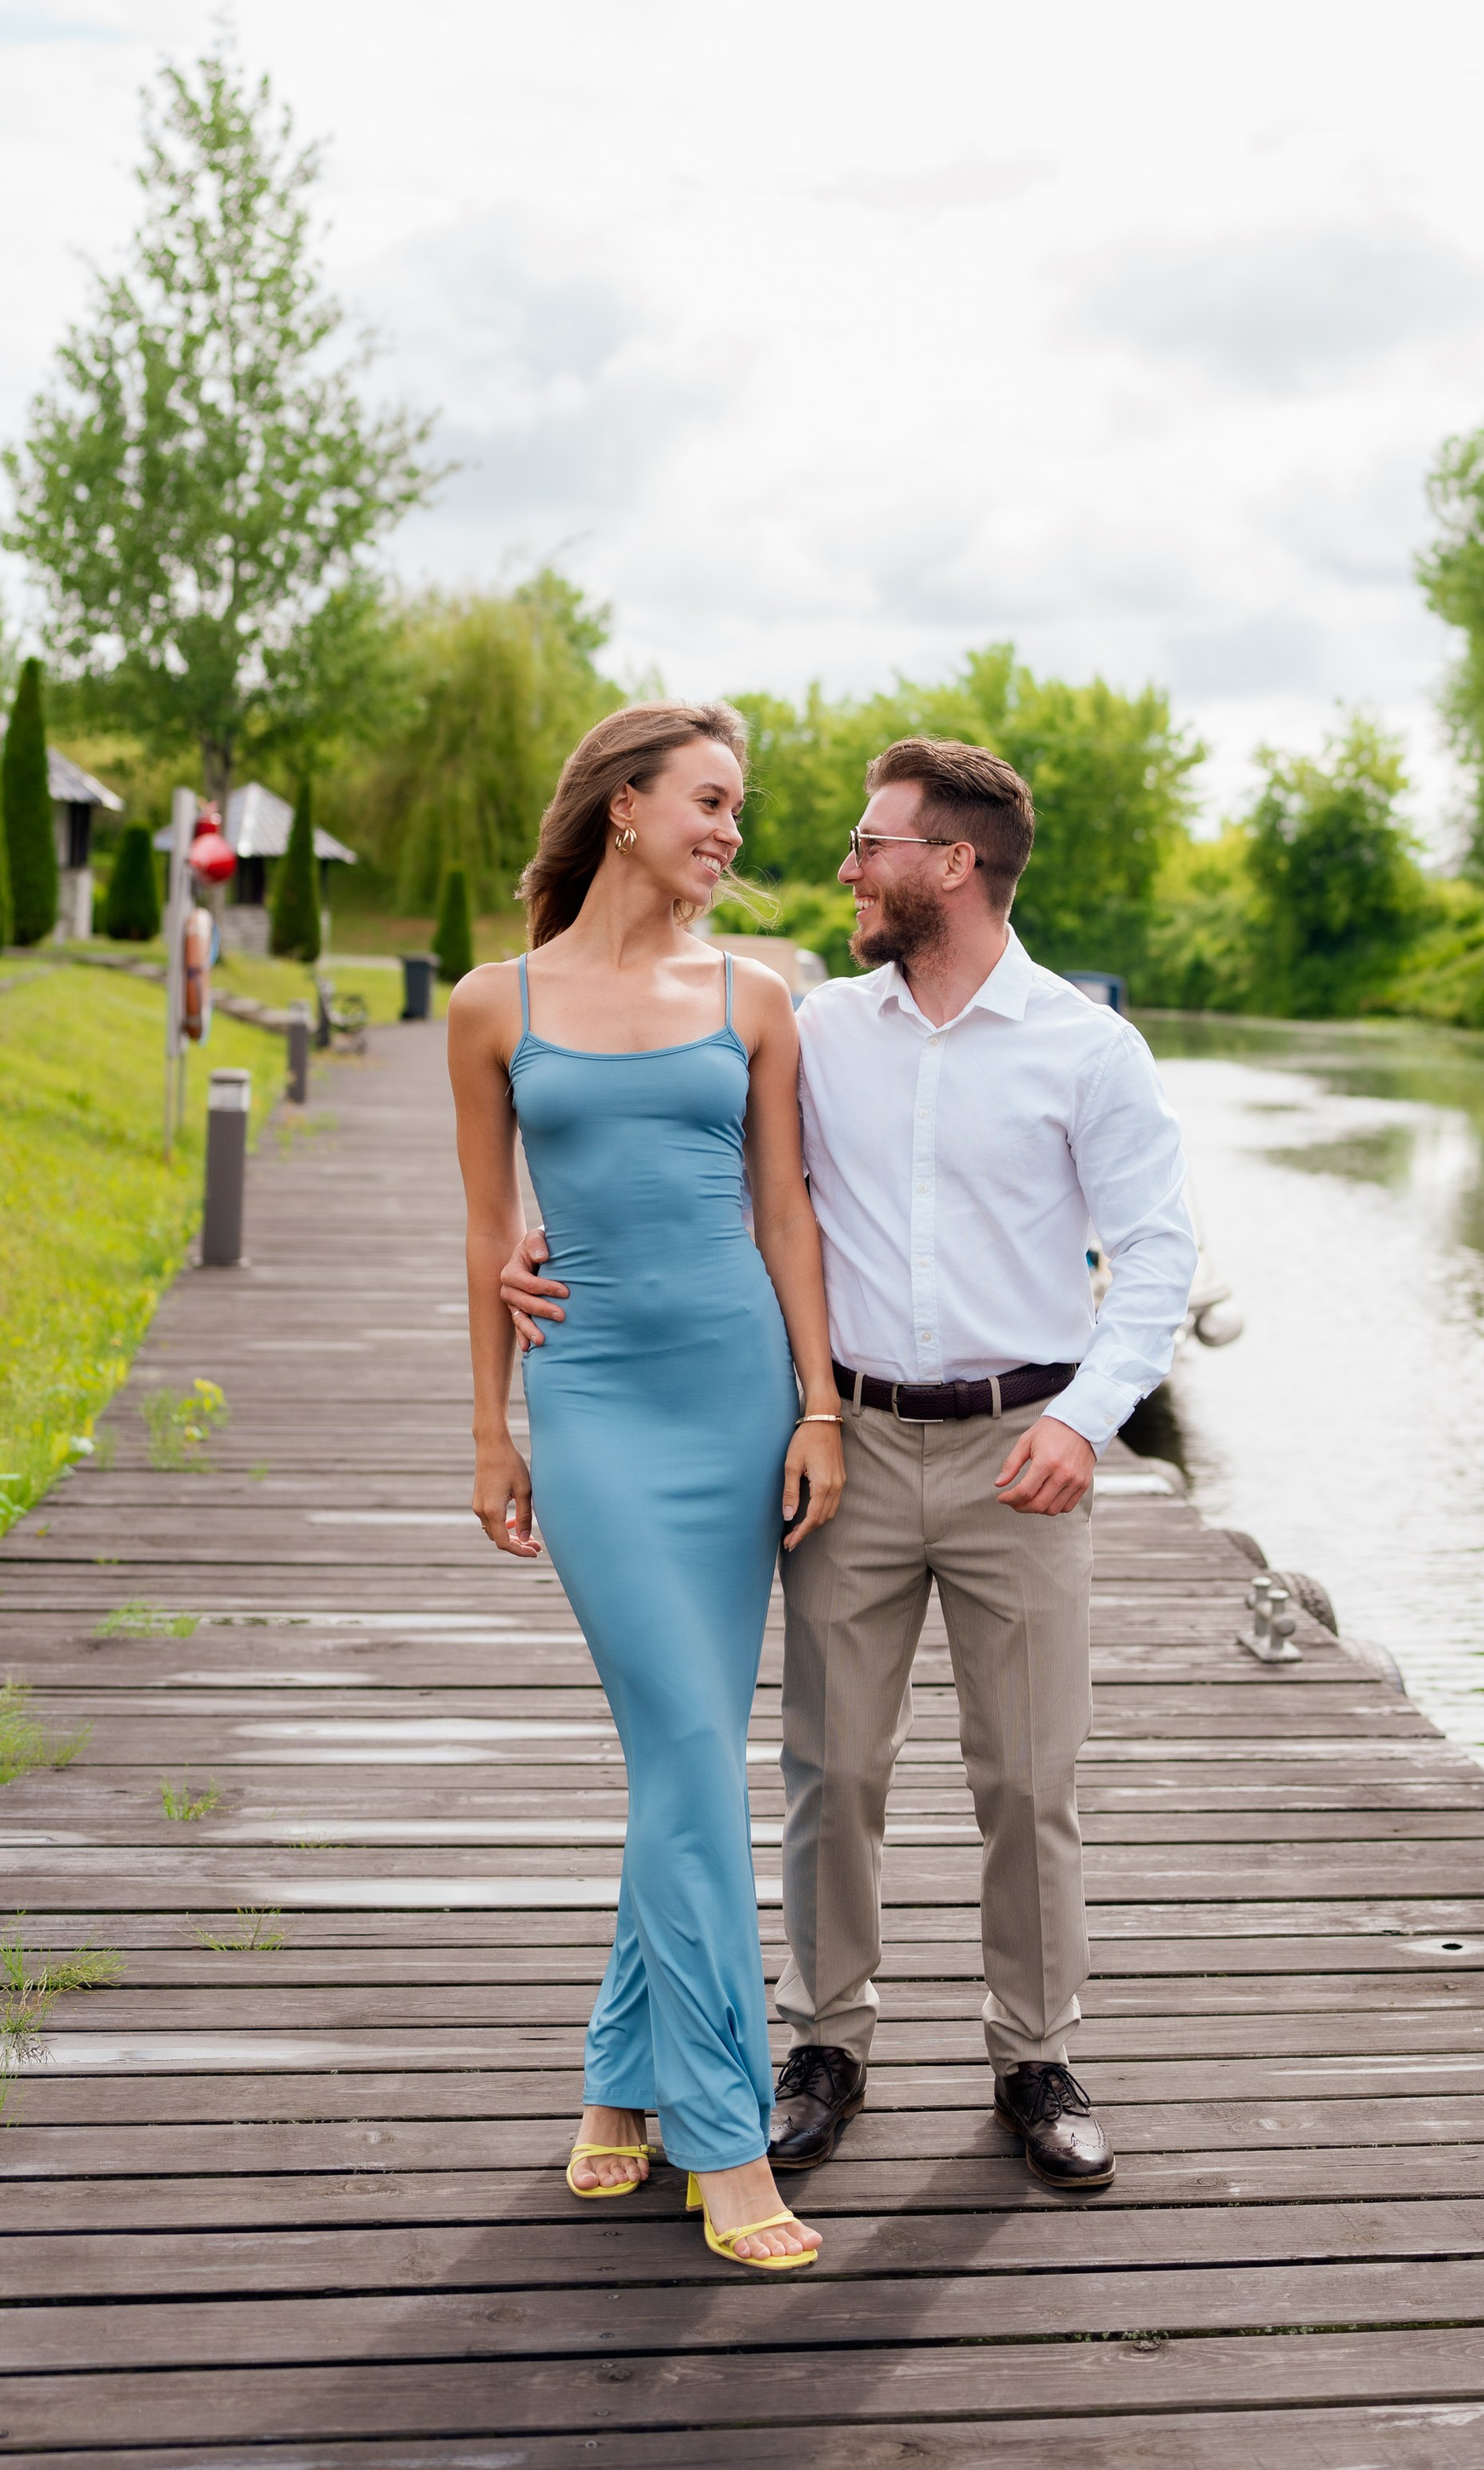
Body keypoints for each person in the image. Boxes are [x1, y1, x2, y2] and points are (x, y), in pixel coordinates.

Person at [506, 736, 1198, 2193]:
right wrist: (541, 1226)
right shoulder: (818, 1026)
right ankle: (824, 2043)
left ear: (952, 864)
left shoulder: (1089, 1048)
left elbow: (1156, 1259)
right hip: (848, 1441)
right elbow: (698, 1154)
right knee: (832, 1769)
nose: (841, 867)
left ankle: (1035, 2052)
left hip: (1029, 1445)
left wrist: (1088, 1416)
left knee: (1028, 1776)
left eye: (871, 843)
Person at [448, 700, 846, 2271]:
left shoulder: (761, 995)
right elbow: (489, 1241)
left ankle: (626, 2086)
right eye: (710, 801)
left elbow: (791, 1220)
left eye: (738, 808)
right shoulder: (495, 1006)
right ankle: (724, 2137)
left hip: (738, 1395)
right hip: (598, 1406)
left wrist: (818, 1409)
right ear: (622, 805)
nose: (732, 831)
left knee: (687, 1750)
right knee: (686, 1739)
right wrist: (491, 1425)